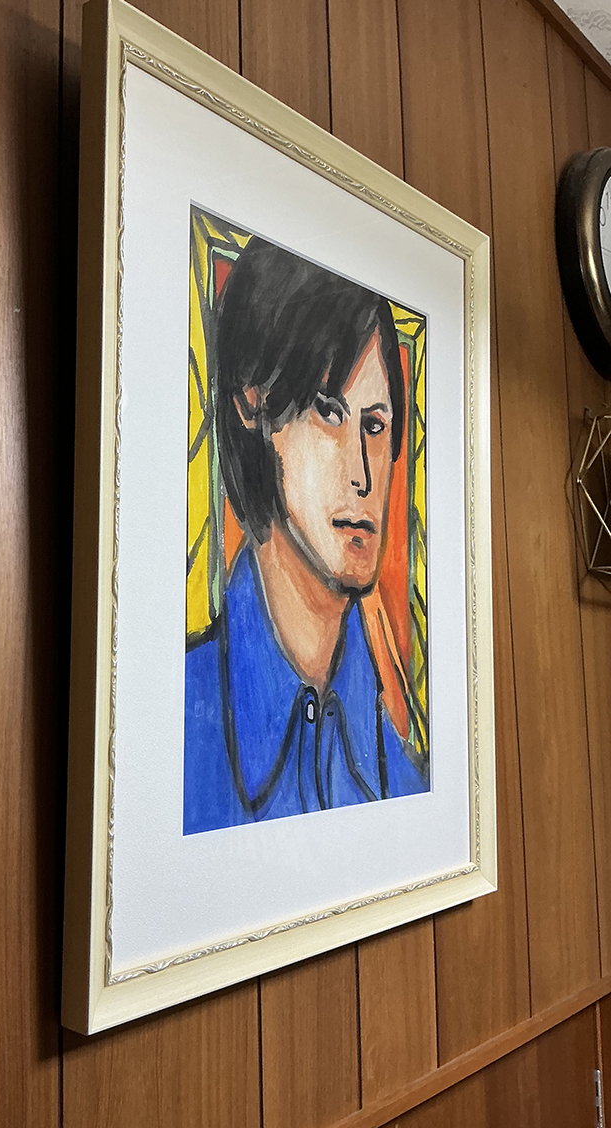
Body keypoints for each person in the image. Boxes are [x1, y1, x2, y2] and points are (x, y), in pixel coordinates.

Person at [183, 235, 429, 834]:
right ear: (252, 406)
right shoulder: (179, 726)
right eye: (329, 413)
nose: (362, 475)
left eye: (375, 426)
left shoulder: (405, 781)